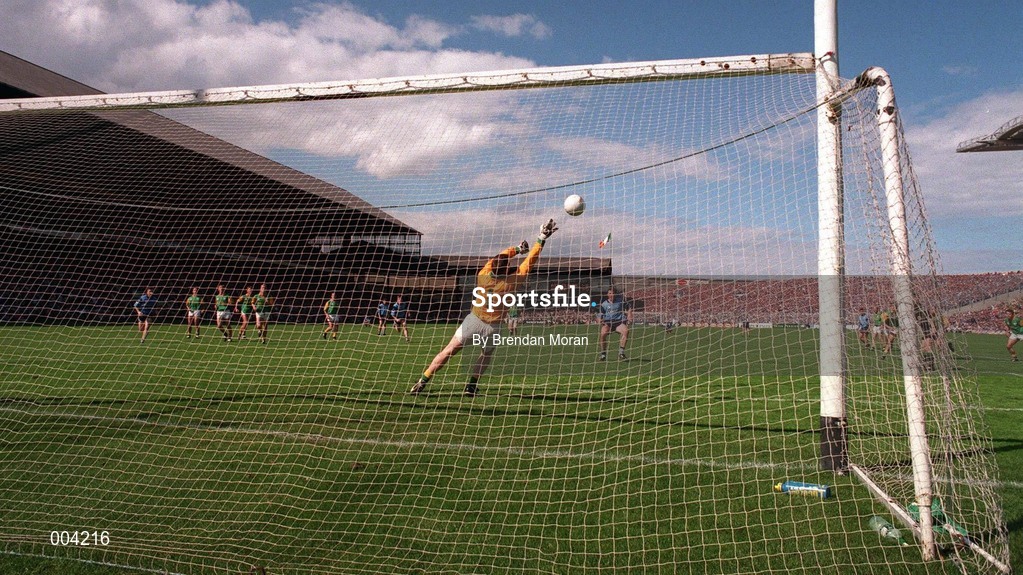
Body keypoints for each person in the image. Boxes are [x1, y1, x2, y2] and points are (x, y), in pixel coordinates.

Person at [410, 219, 558, 397]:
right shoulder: (512, 282)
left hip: (473, 320)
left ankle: (422, 381)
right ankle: (471, 386)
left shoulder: (483, 275)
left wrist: (517, 249)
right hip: (492, 327)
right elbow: (529, 262)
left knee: (448, 351)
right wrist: (541, 238)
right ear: (507, 269)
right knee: (485, 355)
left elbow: (499, 258)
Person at [597, 286, 633, 361]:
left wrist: (629, 315)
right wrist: (600, 319)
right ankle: (603, 354)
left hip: (618, 322)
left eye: (613, 293)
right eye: (610, 293)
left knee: (626, 331)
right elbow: (600, 314)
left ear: (615, 294)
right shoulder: (604, 304)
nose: (611, 295)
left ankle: (621, 353)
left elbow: (629, 307)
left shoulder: (620, 301)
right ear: (607, 294)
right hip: (608, 323)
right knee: (602, 334)